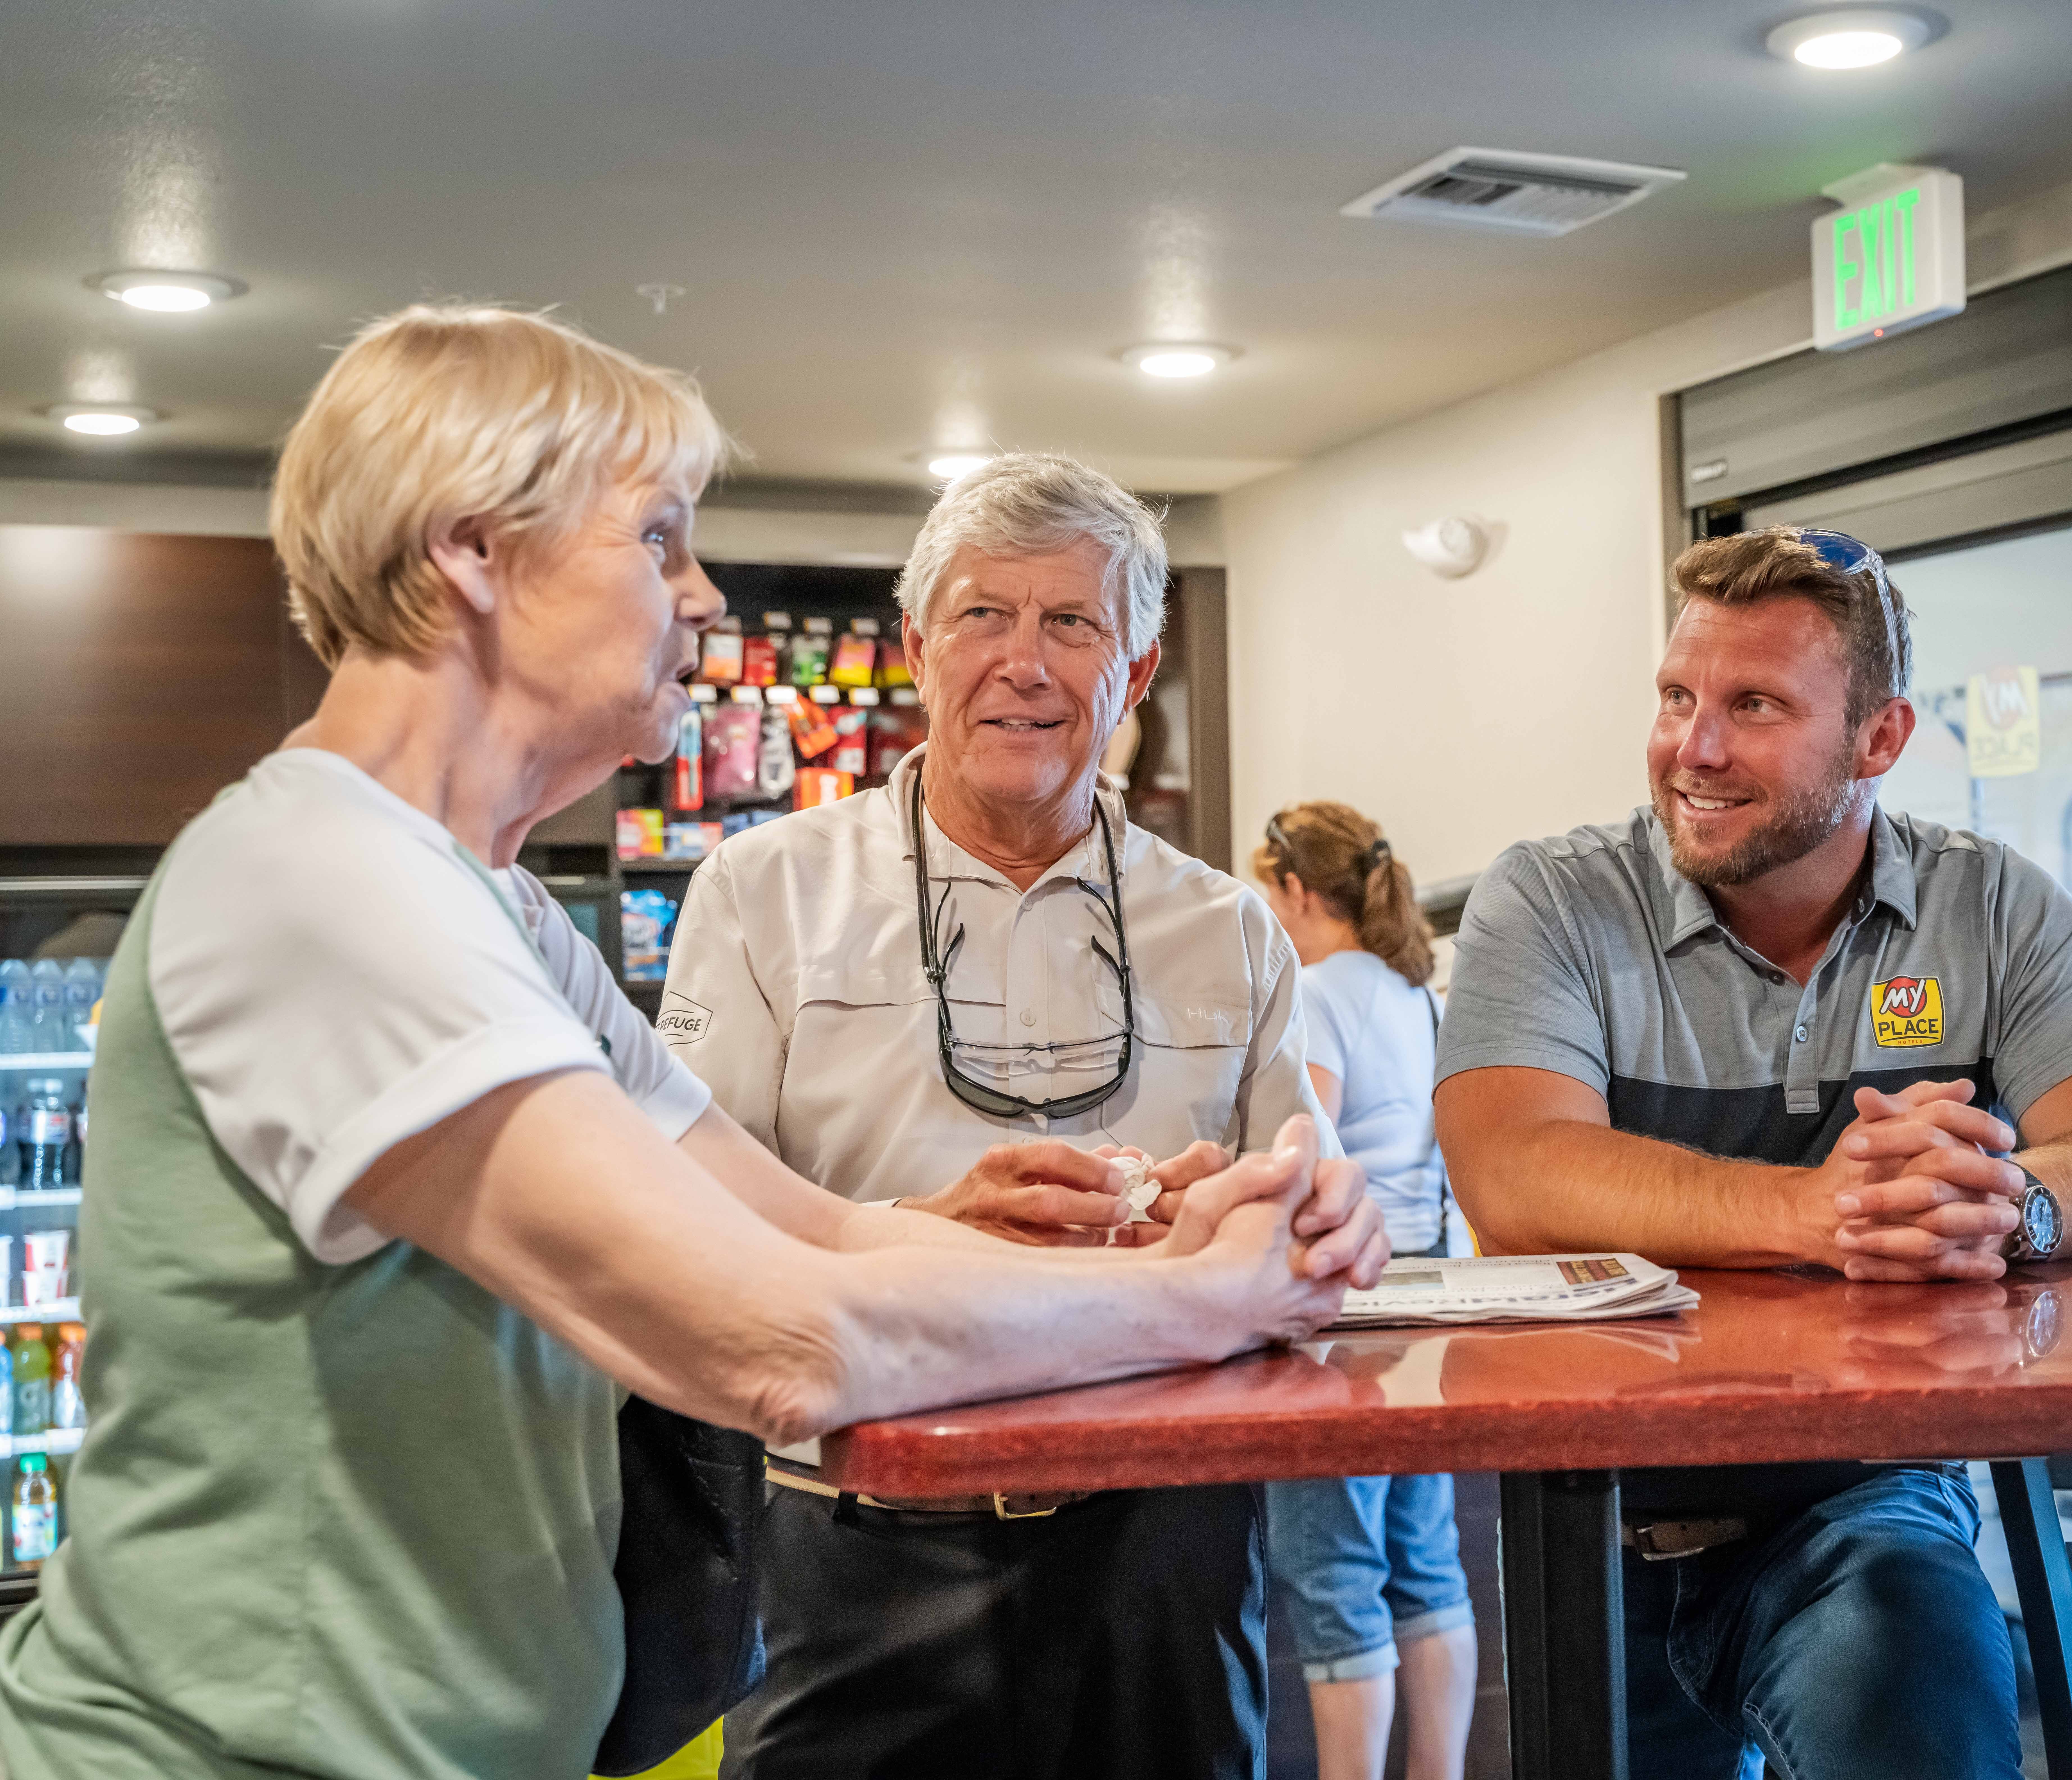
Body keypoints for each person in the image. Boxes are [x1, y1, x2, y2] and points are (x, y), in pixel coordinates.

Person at [0, 308, 1384, 1780]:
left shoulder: (503, 915)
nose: (704, 594)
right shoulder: (328, 885)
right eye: (656, 539)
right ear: (472, 550)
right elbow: (783, 1344)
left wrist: (1204, 1257)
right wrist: (1213, 1303)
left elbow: (834, 1233)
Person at [1435, 525, 2072, 1779]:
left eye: (1753, 706)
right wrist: (1818, 1213)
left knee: (1923, 1699)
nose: (1693, 748)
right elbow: (1515, 1174)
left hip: (1863, 1505)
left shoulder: (1993, 905)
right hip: (1587, 1513)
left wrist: (2009, 1204)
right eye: (1679, 697)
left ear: (1880, 740)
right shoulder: (1552, 901)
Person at [663, 454, 1389, 1780]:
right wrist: (915, 1230)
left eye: (1074, 623)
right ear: (917, 646)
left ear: (1140, 663)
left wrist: (1304, 1222)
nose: (1026, 662)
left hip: (1163, 1549)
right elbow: (688, 1226)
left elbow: (1313, 1224)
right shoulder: (759, 894)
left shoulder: (1226, 924)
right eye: (984, 616)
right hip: (851, 1540)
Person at [1252, 803, 1475, 1780]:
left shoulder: (1319, 992)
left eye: (1269, 891)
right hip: (1430, 1297)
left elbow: (1310, 1151)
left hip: (1347, 1311)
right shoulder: (1417, 992)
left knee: (1335, 1571)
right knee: (1426, 1566)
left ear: (1301, 892)